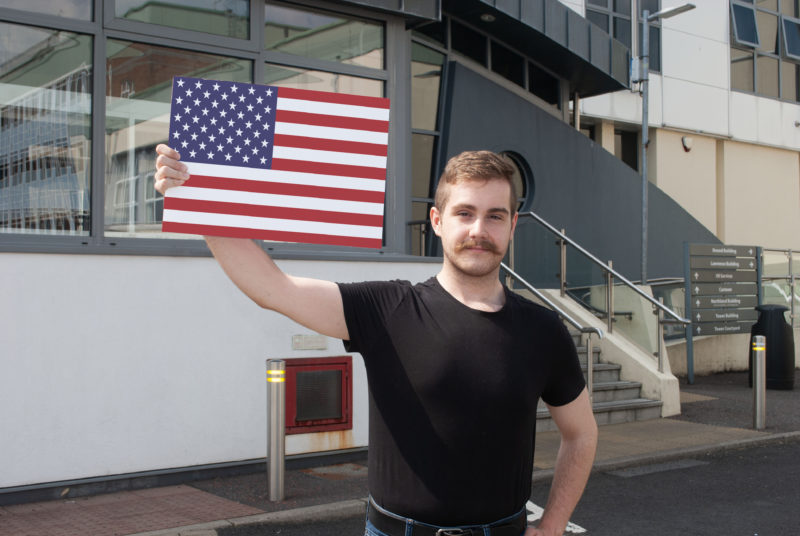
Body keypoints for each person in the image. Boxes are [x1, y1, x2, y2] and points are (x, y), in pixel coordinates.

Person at [154, 145, 598, 536]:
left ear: (512, 225)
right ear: (437, 221)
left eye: (494, 216)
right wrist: (197, 203)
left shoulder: (544, 330)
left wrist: (554, 524)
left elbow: (580, 434)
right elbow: (273, 288)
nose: (478, 229)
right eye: (464, 213)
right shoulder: (386, 309)